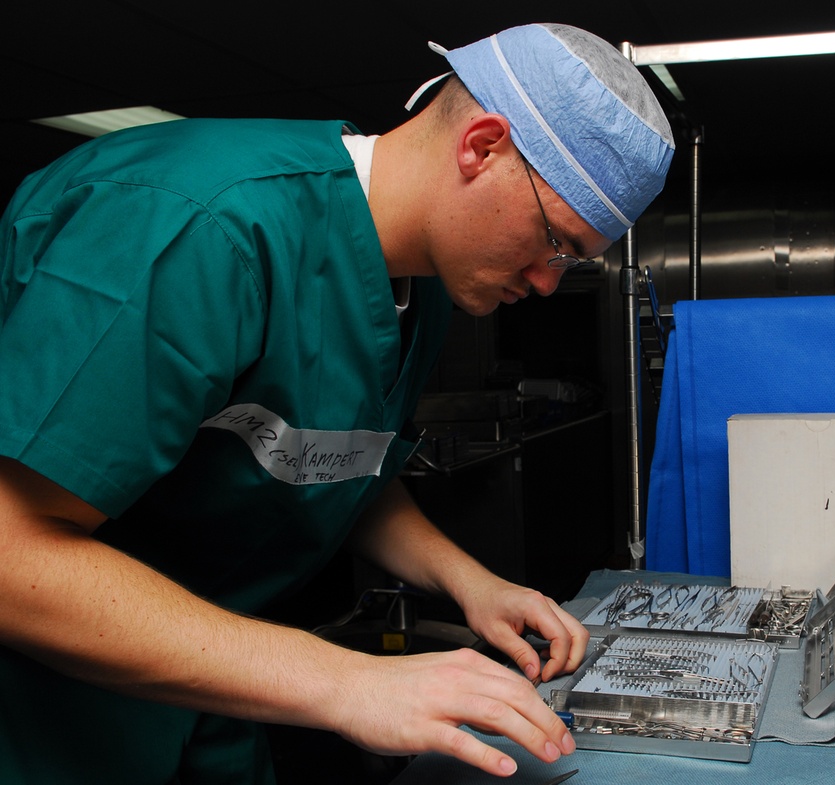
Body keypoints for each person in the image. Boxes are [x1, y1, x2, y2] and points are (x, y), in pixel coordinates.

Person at [0, 22, 674, 784]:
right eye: (557, 242)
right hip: (45, 713)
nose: (549, 283)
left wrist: (470, 582)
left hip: (220, 693)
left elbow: (336, 464)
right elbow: (12, 550)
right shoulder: (204, 226)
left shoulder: (424, 292)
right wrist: (345, 680)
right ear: (482, 146)